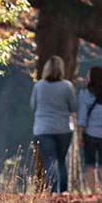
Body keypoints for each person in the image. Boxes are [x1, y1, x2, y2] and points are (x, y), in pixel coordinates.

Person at [30, 55, 76, 194]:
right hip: (63, 128)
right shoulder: (67, 86)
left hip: (43, 129)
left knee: (50, 160)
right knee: (61, 160)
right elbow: (74, 107)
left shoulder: (39, 86)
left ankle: (53, 189)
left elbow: (33, 105)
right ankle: (63, 190)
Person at [77, 65, 102, 194]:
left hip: (90, 133)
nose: (86, 77)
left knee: (90, 164)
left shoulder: (85, 93)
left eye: (88, 75)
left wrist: (80, 134)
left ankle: (93, 191)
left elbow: (82, 116)